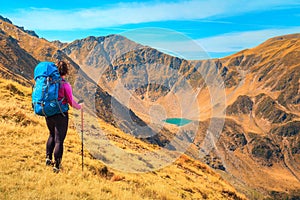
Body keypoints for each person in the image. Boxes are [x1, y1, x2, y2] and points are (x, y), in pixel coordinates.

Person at [45, 60, 82, 173]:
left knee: (51, 134)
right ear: (66, 71)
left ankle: (48, 158)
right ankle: (57, 166)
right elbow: (71, 102)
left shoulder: (50, 82)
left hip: (49, 113)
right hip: (61, 115)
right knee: (59, 140)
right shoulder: (65, 84)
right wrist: (80, 107)